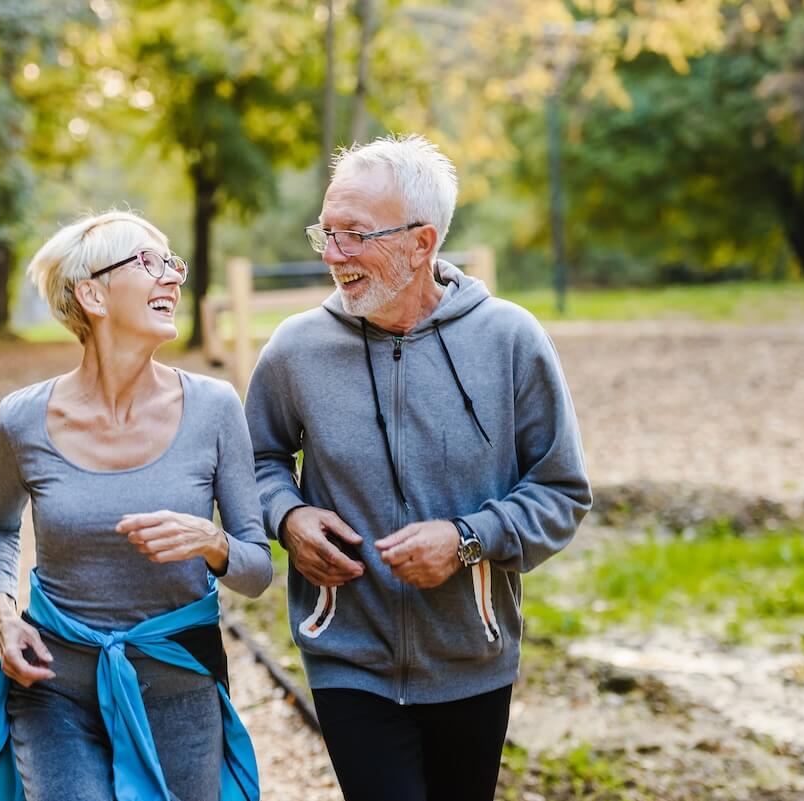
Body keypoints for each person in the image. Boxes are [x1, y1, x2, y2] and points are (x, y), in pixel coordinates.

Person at [245, 134, 591, 801]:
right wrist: (288, 517)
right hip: (347, 654)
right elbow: (256, 459)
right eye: (327, 233)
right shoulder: (297, 349)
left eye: (354, 235)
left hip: (474, 655)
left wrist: (467, 540)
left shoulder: (510, 340)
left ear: (422, 242)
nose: (334, 255)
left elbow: (560, 491)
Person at [0, 210, 271, 801]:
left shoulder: (214, 408)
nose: (172, 279)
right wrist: (6, 616)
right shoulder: (22, 419)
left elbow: (258, 570)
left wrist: (210, 543)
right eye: (148, 263)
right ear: (93, 294)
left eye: (173, 265)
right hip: (53, 688)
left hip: (179, 686)